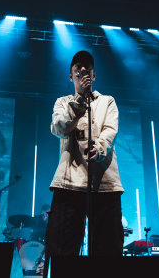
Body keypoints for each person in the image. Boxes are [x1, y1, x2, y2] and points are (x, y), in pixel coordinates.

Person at [45, 50, 124, 262]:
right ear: (71, 76)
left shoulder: (107, 101)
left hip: (104, 184)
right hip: (69, 183)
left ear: (94, 75)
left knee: (108, 249)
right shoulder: (63, 103)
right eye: (77, 70)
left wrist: (99, 148)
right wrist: (79, 99)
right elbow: (59, 127)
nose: (82, 72)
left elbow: (110, 130)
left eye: (87, 69)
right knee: (60, 247)